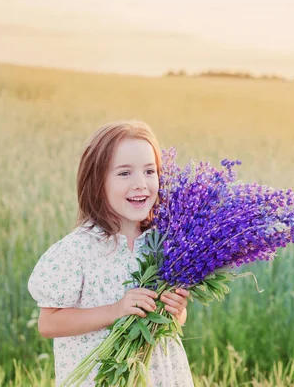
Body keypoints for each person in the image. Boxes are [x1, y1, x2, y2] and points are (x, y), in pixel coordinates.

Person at [27, 120, 195, 386]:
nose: (141, 183)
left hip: (160, 376)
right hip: (99, 377)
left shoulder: (167, 243)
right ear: (97, 182)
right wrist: (116, 310)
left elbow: (174, 321)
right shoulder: (77, 250)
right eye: (124, 173)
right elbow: (49, 324)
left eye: (150, 171)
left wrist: (177, 310)